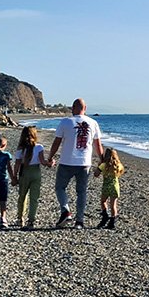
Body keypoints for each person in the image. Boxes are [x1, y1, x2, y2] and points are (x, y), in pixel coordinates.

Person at [47, 98, 103, 229]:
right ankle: (79, 221)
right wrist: (102, 160)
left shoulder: (66, 122)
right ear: (85, 108)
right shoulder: (93, 122)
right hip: (84, 163)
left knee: (60, 188)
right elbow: (98, 145)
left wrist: (50, 156)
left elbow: (57, 142)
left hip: (67, 161)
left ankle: (65, 210)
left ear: (73, 108)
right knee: (81, 192)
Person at [12, 126, 48, 229]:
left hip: (25, 172)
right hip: (36, 172)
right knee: (34, 198)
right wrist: (50, 163)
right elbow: (43, 162)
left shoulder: (21, 149)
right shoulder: (39, 147)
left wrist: (14, 176)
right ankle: (31, 220)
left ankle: (20, 218)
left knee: (22, 196)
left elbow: (17, 164)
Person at [94, 147, 125, 229]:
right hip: (115, 187)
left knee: (103, 201)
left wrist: (98, 166)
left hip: (106, 186)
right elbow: (121, 172)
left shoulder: (104, 165)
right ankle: (112, 221)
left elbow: (96, 174)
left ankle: (105, 215)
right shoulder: (118, 165)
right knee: (113, 205)